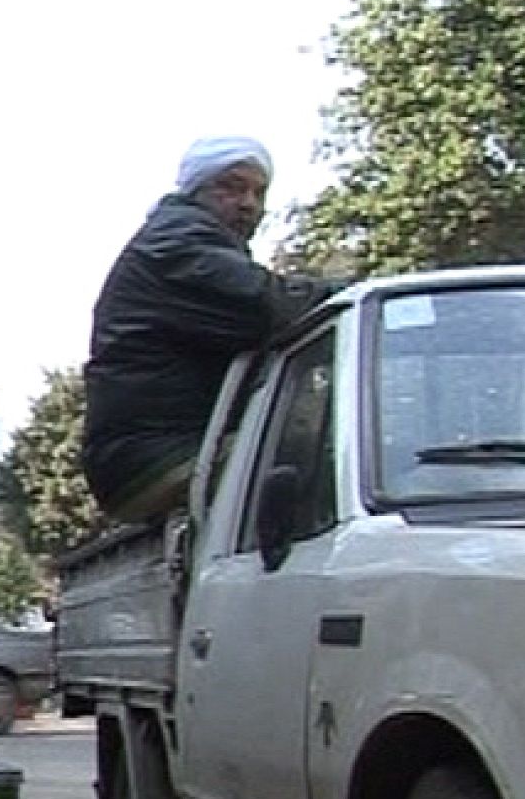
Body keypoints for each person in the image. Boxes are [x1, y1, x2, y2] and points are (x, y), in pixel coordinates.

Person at [81, 136, 335, 523]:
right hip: (157, 455)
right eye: (231, 187)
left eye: (258, 192)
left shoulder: (189, 240)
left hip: (161, 449)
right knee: (335, 461)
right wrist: (355, 292)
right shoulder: (177, 244)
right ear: (197, 190)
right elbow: (270, 305)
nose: (249, 203)